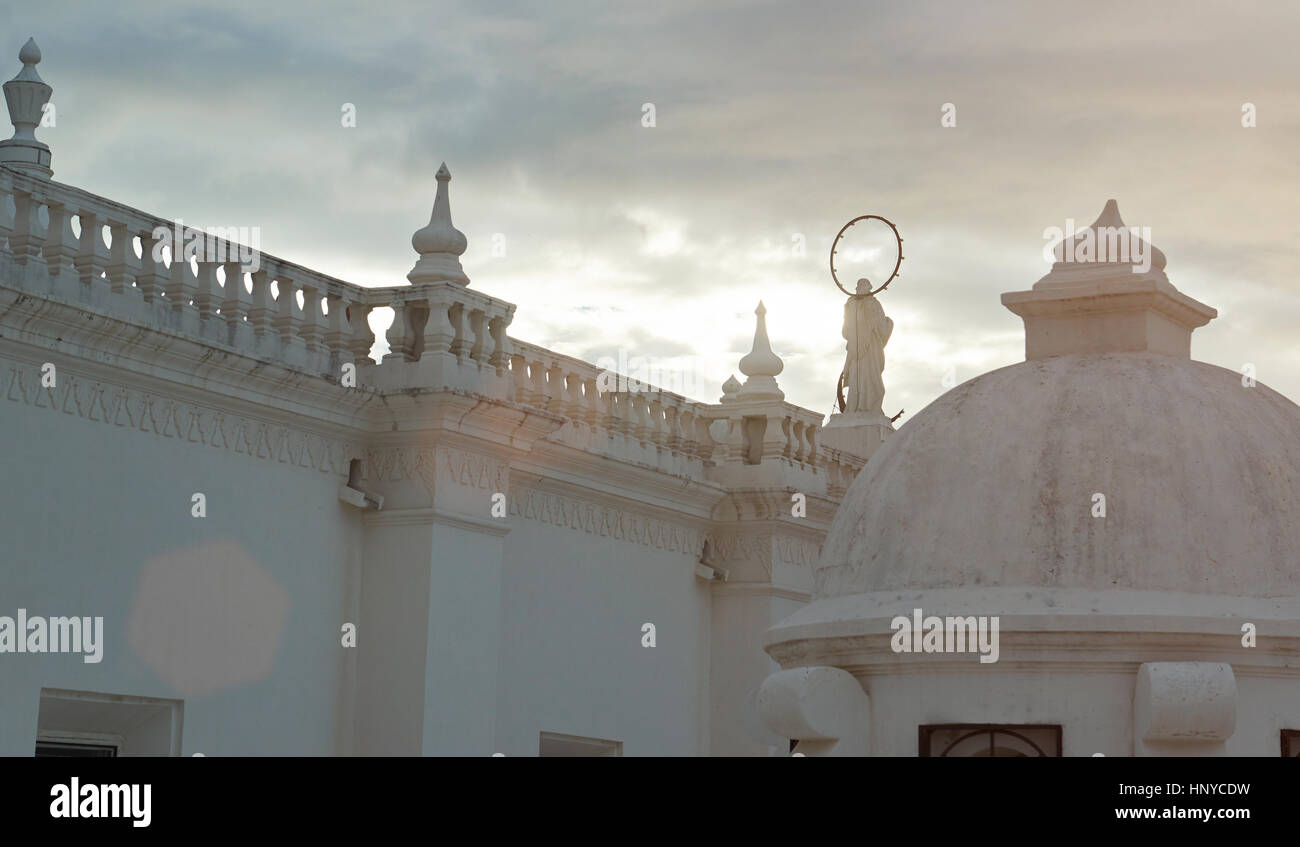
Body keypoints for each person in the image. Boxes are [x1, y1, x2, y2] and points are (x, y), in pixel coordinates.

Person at [841, 278, 893, 417]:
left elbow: (880, 324)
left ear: (869, 287)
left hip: (871, 346)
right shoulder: (851, 303)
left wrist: (888, 323)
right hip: (855, 347)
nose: (861, 287)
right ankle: (855, 406)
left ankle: (870, 406)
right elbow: (846, 329)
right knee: (856, 377)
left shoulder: (874, 304)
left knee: (871, 375)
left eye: (864, 285)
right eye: (859, 285)